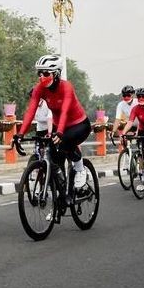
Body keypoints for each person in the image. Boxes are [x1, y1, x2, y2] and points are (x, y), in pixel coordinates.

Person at [15, 55, 92, 190]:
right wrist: (20, 134)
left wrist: (60, 132)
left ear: (56, 74)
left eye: (45, 73)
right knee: (55, 158)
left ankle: (80, 170)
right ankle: (62, 192)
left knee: (66, 143)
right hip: (59, 126)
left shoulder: (66, 87)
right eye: (39, 73)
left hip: (79, 125)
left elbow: (65, 111)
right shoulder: (39, 89)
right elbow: (30, 112)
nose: (41, 77)